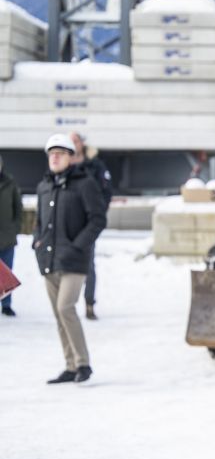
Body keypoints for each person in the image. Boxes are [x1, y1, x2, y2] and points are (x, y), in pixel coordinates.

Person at [33, 134, 106, 384]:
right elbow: (40, 221)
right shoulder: (44, 187)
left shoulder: (85, 184)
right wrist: (37, 242)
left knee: (66, 308)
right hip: (49, 260)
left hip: (74, 261)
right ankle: (70, 366)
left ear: (70, 157)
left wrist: (77, 246)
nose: (55, 158)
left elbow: (97, 219)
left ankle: (83, 363)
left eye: (60, 154)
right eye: (51, 154)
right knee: (59, 314)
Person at [69, 131, 112, 320]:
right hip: (67, 222)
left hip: (87, 223)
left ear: (82, 143)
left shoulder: (95, 165)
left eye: (76, 140)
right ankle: (66, 305)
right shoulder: (64, 163)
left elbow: (107, 191)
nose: (73, 144)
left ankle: (89, 303)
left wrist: (98, 213)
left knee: (88, 264)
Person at [0, 154, 23, 317]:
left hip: (7, 237)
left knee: (7, 272)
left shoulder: (10, 182)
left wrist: (14, 229)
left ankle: (6, 305)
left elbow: (18, 208)